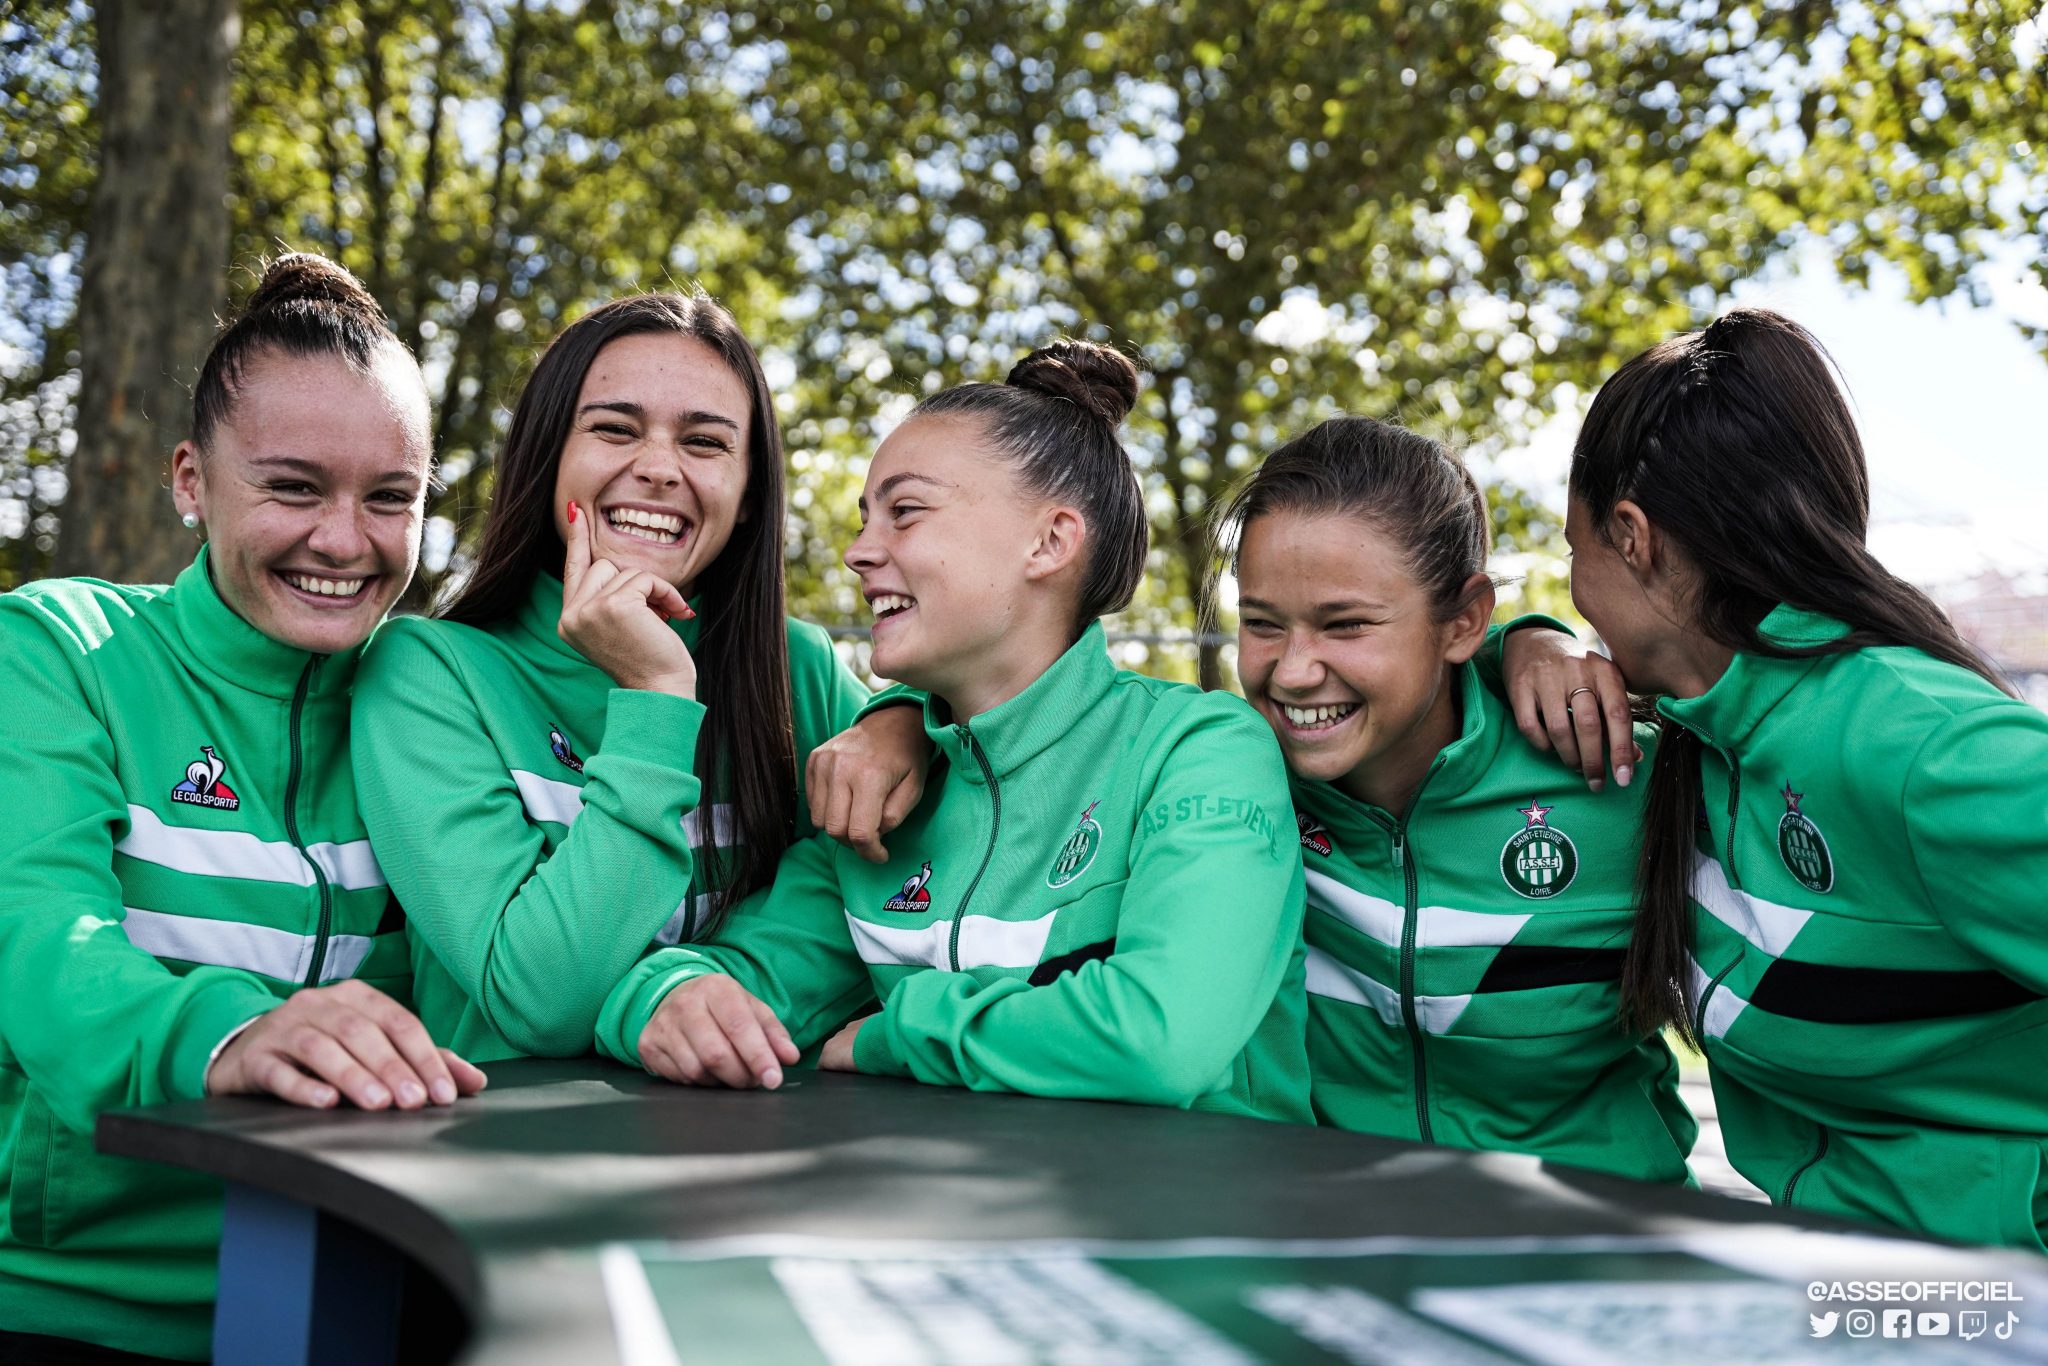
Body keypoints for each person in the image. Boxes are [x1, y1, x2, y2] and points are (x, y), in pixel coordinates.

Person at [594, 340, 1312, 1122]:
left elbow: (1163, 1035)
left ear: (1050, 542)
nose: (860, 552)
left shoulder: (1200, 749)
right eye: (867, 518)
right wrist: (667, 1000)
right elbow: (715, 980)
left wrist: (894, 1035)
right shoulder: (879, 801)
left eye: (905, 512)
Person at [0, 254, 486, 1365]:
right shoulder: (57, 649)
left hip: (380, 1296)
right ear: (189, 477)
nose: (345, 541)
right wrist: (232, 1024)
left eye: (390, 497)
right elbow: (35, 937)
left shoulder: (436, 701)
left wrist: (891, 714)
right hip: (76, 1306)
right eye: (292, 486)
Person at [1564, 307, 2048, 1247]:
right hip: (1838, 1291)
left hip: (1982, 1311)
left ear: (1632, 537)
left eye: (1571, 554)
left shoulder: (1926, 748)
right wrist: (1527, 645)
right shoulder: (1700, 737)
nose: (1575, 595)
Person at [351, 292, 924, 1063]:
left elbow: (898, 883)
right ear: (549, 459)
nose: (658, 468)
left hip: (760, 1148)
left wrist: (909, 720)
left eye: (706, 443)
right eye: (614, 429)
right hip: (506, 1154)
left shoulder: (799, 669)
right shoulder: (427, 673)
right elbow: (539, 998)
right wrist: (655, 695)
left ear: (751, 493)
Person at [1212, 415, 1694, 1179]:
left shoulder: (1623, 773)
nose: (1294, 671)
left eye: (1347, 625)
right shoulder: (1224, 786)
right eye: (1263, 625)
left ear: (1464, 620)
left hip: (1599, 1259)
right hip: (1335, 1254)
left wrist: (1533, 640)